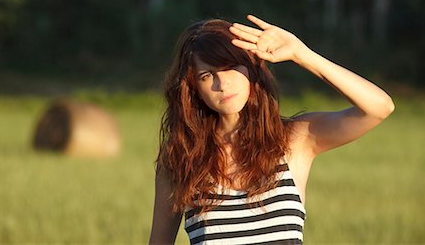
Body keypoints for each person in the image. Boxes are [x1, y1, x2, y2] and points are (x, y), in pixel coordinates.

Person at [149, 15, 394, 244]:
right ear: (193, 89)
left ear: (250, 67)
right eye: (206, 75)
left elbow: (379, 108)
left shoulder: (294, 140)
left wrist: (301, 54)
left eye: (230, 66)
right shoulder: (181, 159)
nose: (222, 83)